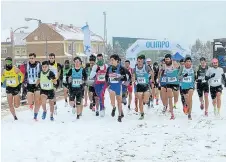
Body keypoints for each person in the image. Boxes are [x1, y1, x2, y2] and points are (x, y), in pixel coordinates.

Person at [106, 54, 130, 122]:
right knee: (112, 102)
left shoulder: (121, 68)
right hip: (111, 87)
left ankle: (119, 116)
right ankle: (114, 107)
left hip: (118, 87)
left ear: (117, 61)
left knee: (119, 102)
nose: (111, 61)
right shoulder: (109, 68)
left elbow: (126, 77)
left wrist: (120, 78)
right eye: (110, 60)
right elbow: (106, 77)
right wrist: (108, 85)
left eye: (112, 60)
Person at [133, 55, 154, 120]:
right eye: (138, 61)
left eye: (141, 61)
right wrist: (134, 80)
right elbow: (133, 76)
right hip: (139, 86)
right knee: (140, 100)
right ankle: (142, 114)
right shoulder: (135, 68)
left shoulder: (146, 67)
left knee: (145, 100)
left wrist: (152, 80)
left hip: (146, 85)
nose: (139, 62)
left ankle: (148, 98)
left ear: (143, 61)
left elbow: (152, 73)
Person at [24, 53, 42, 120]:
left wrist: (40, 80)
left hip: (37, 84)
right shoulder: (26, 65)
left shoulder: (39, 65)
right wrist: (25, 81)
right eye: (30, 58)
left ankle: (35, 116)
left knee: (37, 101)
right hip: (29, 85)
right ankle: (31, 104)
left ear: (35, 58)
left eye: (32, 58)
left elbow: (41, 74)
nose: (31, 59)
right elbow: (25, 74)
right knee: (29, 100)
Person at [164, 54, 180, 120]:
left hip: (175, 83)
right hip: (169, 83)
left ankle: (175, 103)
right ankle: (172, 114)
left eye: (168, 59)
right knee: (170, 97)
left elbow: (180, 68)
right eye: (166, 59)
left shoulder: (175, 63)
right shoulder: (164, 65)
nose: (167, 61)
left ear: (171, 59)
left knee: (176, 98)